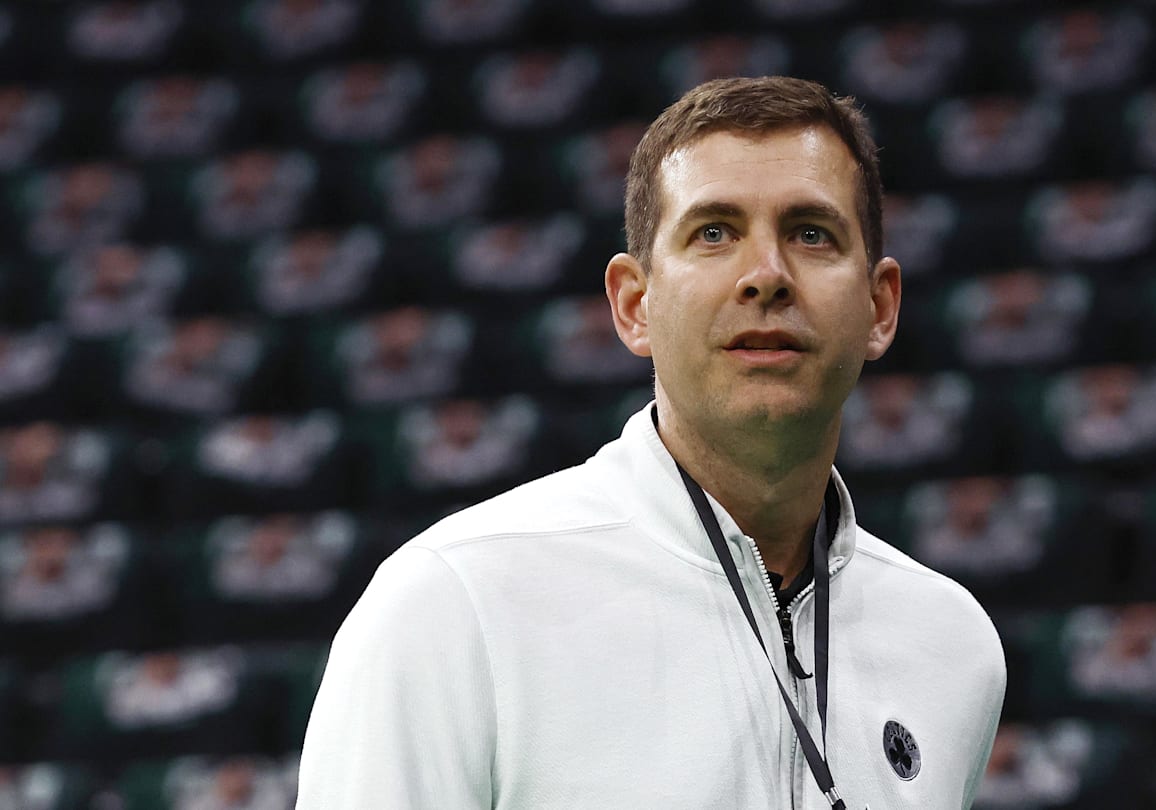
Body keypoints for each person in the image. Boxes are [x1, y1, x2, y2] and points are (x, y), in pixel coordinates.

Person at [297, 75, 1006, 809]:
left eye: (810, 233)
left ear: (879, 306)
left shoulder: (951, 644)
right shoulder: (455, 603)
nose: (766, 275)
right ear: (635, 305)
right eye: (714, 233)